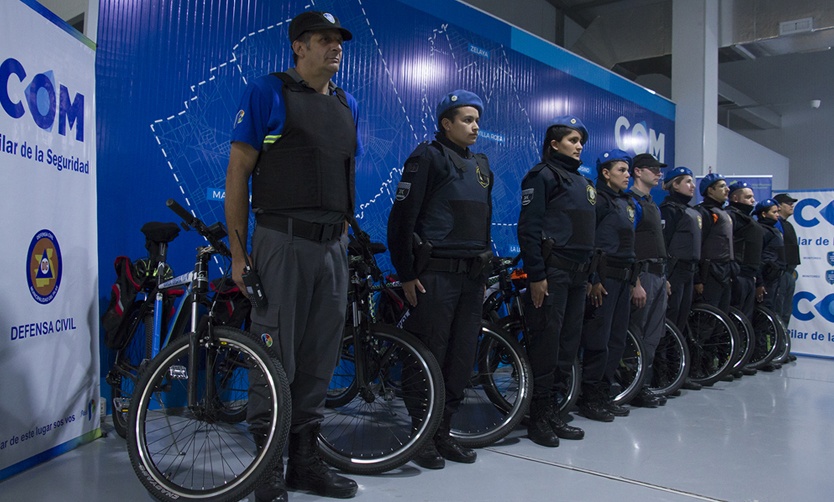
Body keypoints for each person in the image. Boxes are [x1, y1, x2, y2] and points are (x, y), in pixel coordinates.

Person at [224, 11, 361, 501]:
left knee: (319, 357)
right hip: (282, 240)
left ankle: (304, 463)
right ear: (298, 47)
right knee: (274, 355)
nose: (335, 47)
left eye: (338, 40)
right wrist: (239, 254)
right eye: (324, 40)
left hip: (332, 247)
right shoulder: (267, 92)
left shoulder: (347, 104)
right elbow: (239, 170)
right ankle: (266, 470)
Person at [387, 90, 491, 468]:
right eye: (466, 119)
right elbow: (402, 219)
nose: (475, 125)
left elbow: (483, 223)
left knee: (460, 360)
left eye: (477, 119)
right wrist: (407, 273)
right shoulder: (427, 157)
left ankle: (443, 431)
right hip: (435, 278)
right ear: (446, 123)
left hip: (470, 279)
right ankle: (422, 435)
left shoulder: (481, 164)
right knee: (428, 356)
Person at [517, 115, 593, 446]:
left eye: (581, 143)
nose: (579, 147)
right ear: (554, 144)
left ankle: (556, 412)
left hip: (578, 276)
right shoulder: (542, 176)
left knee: (566, 347)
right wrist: (537, 275)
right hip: (553, 275)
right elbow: (529, 228)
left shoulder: (583, 183)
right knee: (546, 346)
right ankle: (538, 418)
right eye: (573, 141)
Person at [578, 149, 639, 422]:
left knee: (615, 341)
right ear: (605, 172)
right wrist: (593, 279)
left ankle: (604, 394)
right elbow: (589, 240)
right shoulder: (598, 200)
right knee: (597, 342)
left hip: (624, 279)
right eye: (622, 170)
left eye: (628, 170)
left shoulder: (625, 203)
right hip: (604, 281)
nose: (627, 175)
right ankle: (589, 398)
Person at [627, 153, 669, 407]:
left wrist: (665, 278)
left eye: (659, 169)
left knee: (652, 335)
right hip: (642, 274)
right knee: (636, 332)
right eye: (652, 169)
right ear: (637, 171)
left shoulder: (651, 203)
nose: (658, 173)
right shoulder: (632, 202)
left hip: (659, 274)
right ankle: (631, 384)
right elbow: (629, 243)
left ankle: (643, 383)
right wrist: (636, 282)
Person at [659, 167, 703, 392]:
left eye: (692, 182)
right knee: (669, 323)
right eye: (687, 181)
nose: (692, 186)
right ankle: (662, 375)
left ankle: (678, 372)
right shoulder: (669, 210)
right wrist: (665, 276)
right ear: (674, 184)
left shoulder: (691, 211)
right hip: (674, 272)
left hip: (689, 271)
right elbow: (664, 243)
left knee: (681, 323)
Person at [726, 181, 763, 377]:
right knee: (735, 319)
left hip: (750, 274)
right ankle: (729, 361)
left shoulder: (748, 219)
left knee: (745, 320)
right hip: (737, 274)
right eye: (748, 197)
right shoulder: (731, 217)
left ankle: (741, 359)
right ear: (735, 198)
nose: (753, 200)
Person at [694, 173, 734, 314]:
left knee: (721, 317)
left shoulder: (723, 213)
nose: (727, 189)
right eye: (722, 186)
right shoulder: (705, 212)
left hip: (724, 270)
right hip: (710, 272)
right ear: (710, 190)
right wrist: (697, 278)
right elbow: (697, 245)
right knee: (707, 318)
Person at [774, 193, 801, 353]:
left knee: (785, 312)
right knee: (779, 312)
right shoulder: (777, 224)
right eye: (788, 203)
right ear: (778, 206)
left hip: (789, 272)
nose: (791, 206)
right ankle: (775, 350)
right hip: (781, 272)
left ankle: (783, 349)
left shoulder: (788, 225)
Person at [755, 199, 786, 312]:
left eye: (777, 212)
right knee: (763, 310)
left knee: (773, 309)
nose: (777, 215)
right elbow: (757, 257)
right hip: (765, 277)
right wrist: (760, 283)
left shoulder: (774, 230)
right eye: (774, 212)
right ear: (764, 214)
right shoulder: (761, 230)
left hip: (775, 277)